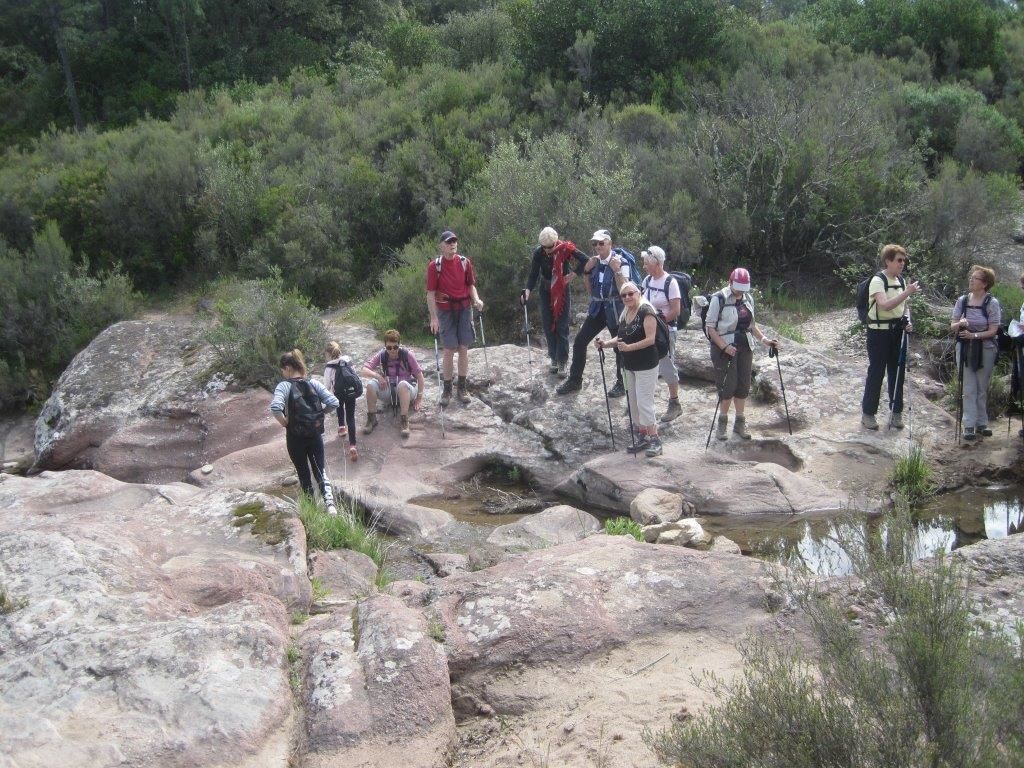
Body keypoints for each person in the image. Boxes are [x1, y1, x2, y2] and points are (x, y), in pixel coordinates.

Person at [705, 268, 779, 440]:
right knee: (727, 386)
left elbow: (752, 326)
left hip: (745, 347)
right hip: (724, 349)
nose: (740, 291)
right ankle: (721, 425)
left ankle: (739, 424)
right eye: (738, 287)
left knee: (743, 384)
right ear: (730, 283)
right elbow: (710, 328)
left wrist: (765, 340)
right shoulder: (719, 299)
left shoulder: (748, 298)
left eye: (743, 288)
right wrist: (724, 347)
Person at [556, 229, 631, 397]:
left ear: (610, 244)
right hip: (598, 309)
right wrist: (587, 273)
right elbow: (591, 291)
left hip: (615, 310)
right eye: (594, 243)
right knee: (580, 341)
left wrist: (617, 270)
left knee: (620, 347)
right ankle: (575, 380)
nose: (597, 246)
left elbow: (624, 291)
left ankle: (623, 383)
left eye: (601, 243)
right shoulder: (595, 262)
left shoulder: (621, 262)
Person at [596, 281, 663, 457]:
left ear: (638, 293)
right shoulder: (626, 312)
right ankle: (643, 435)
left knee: (644, 402)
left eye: (630, 294)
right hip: (629, 365)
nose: (627, 297)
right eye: (624, 295)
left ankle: (655, 438)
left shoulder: (647, 311)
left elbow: (650, 339)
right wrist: (606, 344)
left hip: (646, 365)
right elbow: (621, 337)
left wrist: (628, 348)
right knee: (632, 402)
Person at [270, 349, 340, 514]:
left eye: (282, 370)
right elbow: (334, 402)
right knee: (320, 471)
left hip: (295, 438)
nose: (283, 373)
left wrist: (285, 422)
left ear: (287, 368)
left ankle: (311, 510)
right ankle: (330, 506)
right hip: (315, 435)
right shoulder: (313, 383)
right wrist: (320, 414)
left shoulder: (284, 386)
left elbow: (275, 407)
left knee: (303, 473)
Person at [860, 244, 920, 430]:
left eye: (903, 260)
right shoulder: (878, 281)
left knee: (898, 372)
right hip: (878, 332)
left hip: (897, 331)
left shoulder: (901, 281)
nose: (902, 264)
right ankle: (868, 414)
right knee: (877, 371)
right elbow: (884, 305)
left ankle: (896, 413)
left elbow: (904, 307)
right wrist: (907, 292)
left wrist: (908, 320)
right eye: (898, 260)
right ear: (888, 261)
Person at [426, 230, 484, 407]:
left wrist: (476, 299)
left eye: (454, 241)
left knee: (464, 348)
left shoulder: (465, 263)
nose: (453, 244)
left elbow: (471, 285)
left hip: (464, 308)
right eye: (449, 242)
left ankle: (462, 387)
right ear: (441, 245)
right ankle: (447, 389)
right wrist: (433, 318)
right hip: (445, 311)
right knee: (449, 349)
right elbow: (430, 294)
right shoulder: (434, 266)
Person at [521, 226, 588, 377]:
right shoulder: (539, 252)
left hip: (562, 290)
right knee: (547, 324)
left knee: (562, 325)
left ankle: (563, 361)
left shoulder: (566, 249)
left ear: (556, 242)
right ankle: (554, 359)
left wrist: (573, 275)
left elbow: (585, 260)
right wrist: (527, 290)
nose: (547, 250)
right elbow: (533, 273)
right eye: (544, 247)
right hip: (545, 289)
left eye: (550, 247)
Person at [951, 265, 1001, 441]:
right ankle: (969, 424)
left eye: (975, 278)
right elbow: (953, 325)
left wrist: (974, 335)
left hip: (986, 348)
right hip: (964, 348)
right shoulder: (962, 300)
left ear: (985, 283)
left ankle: (982, 422)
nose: (971, 280)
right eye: (971, 278)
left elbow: (994, 330)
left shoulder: (991, 303)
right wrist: (960, 324)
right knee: (968, 387)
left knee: (981, 387)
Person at [639, 245, 683, 422]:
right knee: (645, 366)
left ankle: (674, 404)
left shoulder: (670, 282)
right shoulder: (647, 280)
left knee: (667, 366)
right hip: (648, 331)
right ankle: (643, 403)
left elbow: (675, 310)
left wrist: (658, 324)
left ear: (656, 263)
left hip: (665, 332)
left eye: (646, 263)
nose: (644, 266)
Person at [360, 329, 426, 439]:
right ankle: (372, 418)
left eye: (395, 347)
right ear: (385, 346)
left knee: (402, 385)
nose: (392, 350)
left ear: (399, 345)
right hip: (389, 391)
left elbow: (420, 376)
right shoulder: (382, 355)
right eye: (389, 347)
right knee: (371, 384)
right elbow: (364, 370)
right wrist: (378, 377)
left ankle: (404, 420)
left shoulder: (407, 355)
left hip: (407, 391)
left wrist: (419, 398)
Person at [323, 341, 359, 462]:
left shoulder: (329, 366)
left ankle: (342, 428)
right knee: (351, 417)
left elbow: (327, 385)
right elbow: (354, 374)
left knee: (339, 408)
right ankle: (353, 445)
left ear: (328, 353)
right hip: (350, 392)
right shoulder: (347, 360)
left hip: (338, 393)